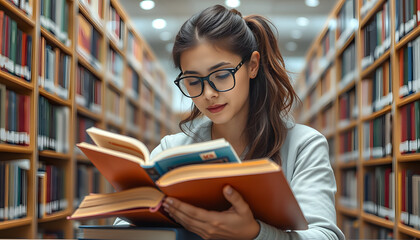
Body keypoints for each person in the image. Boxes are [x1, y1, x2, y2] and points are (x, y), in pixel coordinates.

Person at [116, 4, 345, 240]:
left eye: (222, 75)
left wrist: (255, 234)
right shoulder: (170, 150)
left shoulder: (303, 146)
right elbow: (123, 224)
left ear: (252, 66)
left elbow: (325, 236)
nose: (208, 94)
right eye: (193, 80)